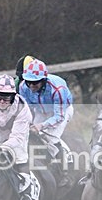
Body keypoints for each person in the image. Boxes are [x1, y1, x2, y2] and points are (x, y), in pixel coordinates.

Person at [17, 57, 74, 187]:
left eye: (35, 83)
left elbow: (59, 117)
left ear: (43, 80)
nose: (31, 86)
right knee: (29, 134)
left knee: (51, 138)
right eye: (29, 82)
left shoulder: (57, 89)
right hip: (41, 110)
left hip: (62, 111)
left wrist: (41, 126)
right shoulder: (23, 87)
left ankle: (63, 173)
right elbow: (27, 109)